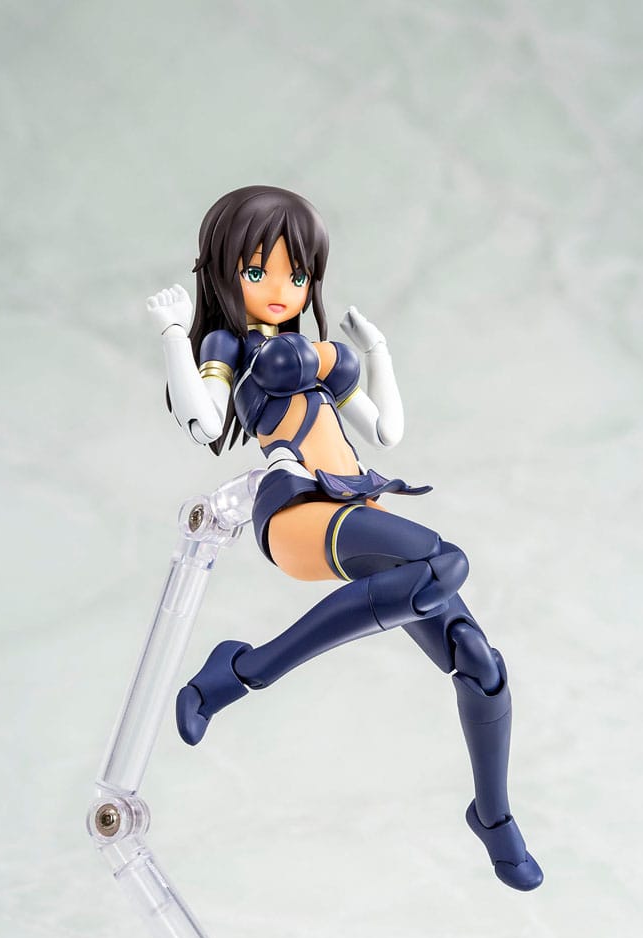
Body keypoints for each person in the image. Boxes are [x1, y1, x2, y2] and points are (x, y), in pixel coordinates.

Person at [146, 185, 543, 891]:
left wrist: (377, 351)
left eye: (296, 274)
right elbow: (204, 422)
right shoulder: (229, 346)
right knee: (444, 563)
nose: (280, 288)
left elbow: (385, 431)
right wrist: (175, 334)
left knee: (479, 661)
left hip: (357, 499)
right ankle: (244, 673)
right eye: (257, 270)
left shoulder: (316, 351)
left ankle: (494, 815)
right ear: (226, 272)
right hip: (296, 507)